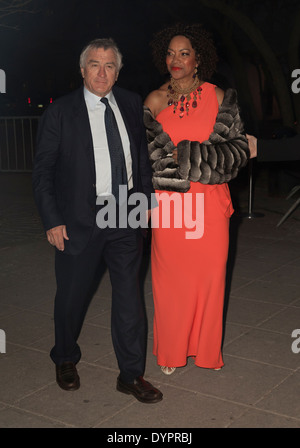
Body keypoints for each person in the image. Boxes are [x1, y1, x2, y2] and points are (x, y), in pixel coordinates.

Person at [32, 38, 163, 404]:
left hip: (124, 215)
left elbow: (140, 158)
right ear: (82, 69)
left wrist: (146, 202)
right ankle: (65, 357)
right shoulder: (60, 112)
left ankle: (131, 374)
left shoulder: (132, 103)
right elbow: (42, 172)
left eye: (109, 66)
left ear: (117, 71)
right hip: (77, 220)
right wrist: (52, 219)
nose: (102, 73)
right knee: (71, 298)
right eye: (94, 64)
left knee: (129, 300)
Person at [144, 23, 249, 375]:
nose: (176, 60)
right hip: (172, 208)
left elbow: (236, 152)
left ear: (198, 58)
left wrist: (188, 157)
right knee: (170, 281)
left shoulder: (220, 97)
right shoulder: (155, 101)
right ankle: (171, 351)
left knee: (209, 279)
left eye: (184, 53)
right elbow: (146, 158)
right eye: (171, 53)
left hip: (210, 205)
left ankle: (205, 351)